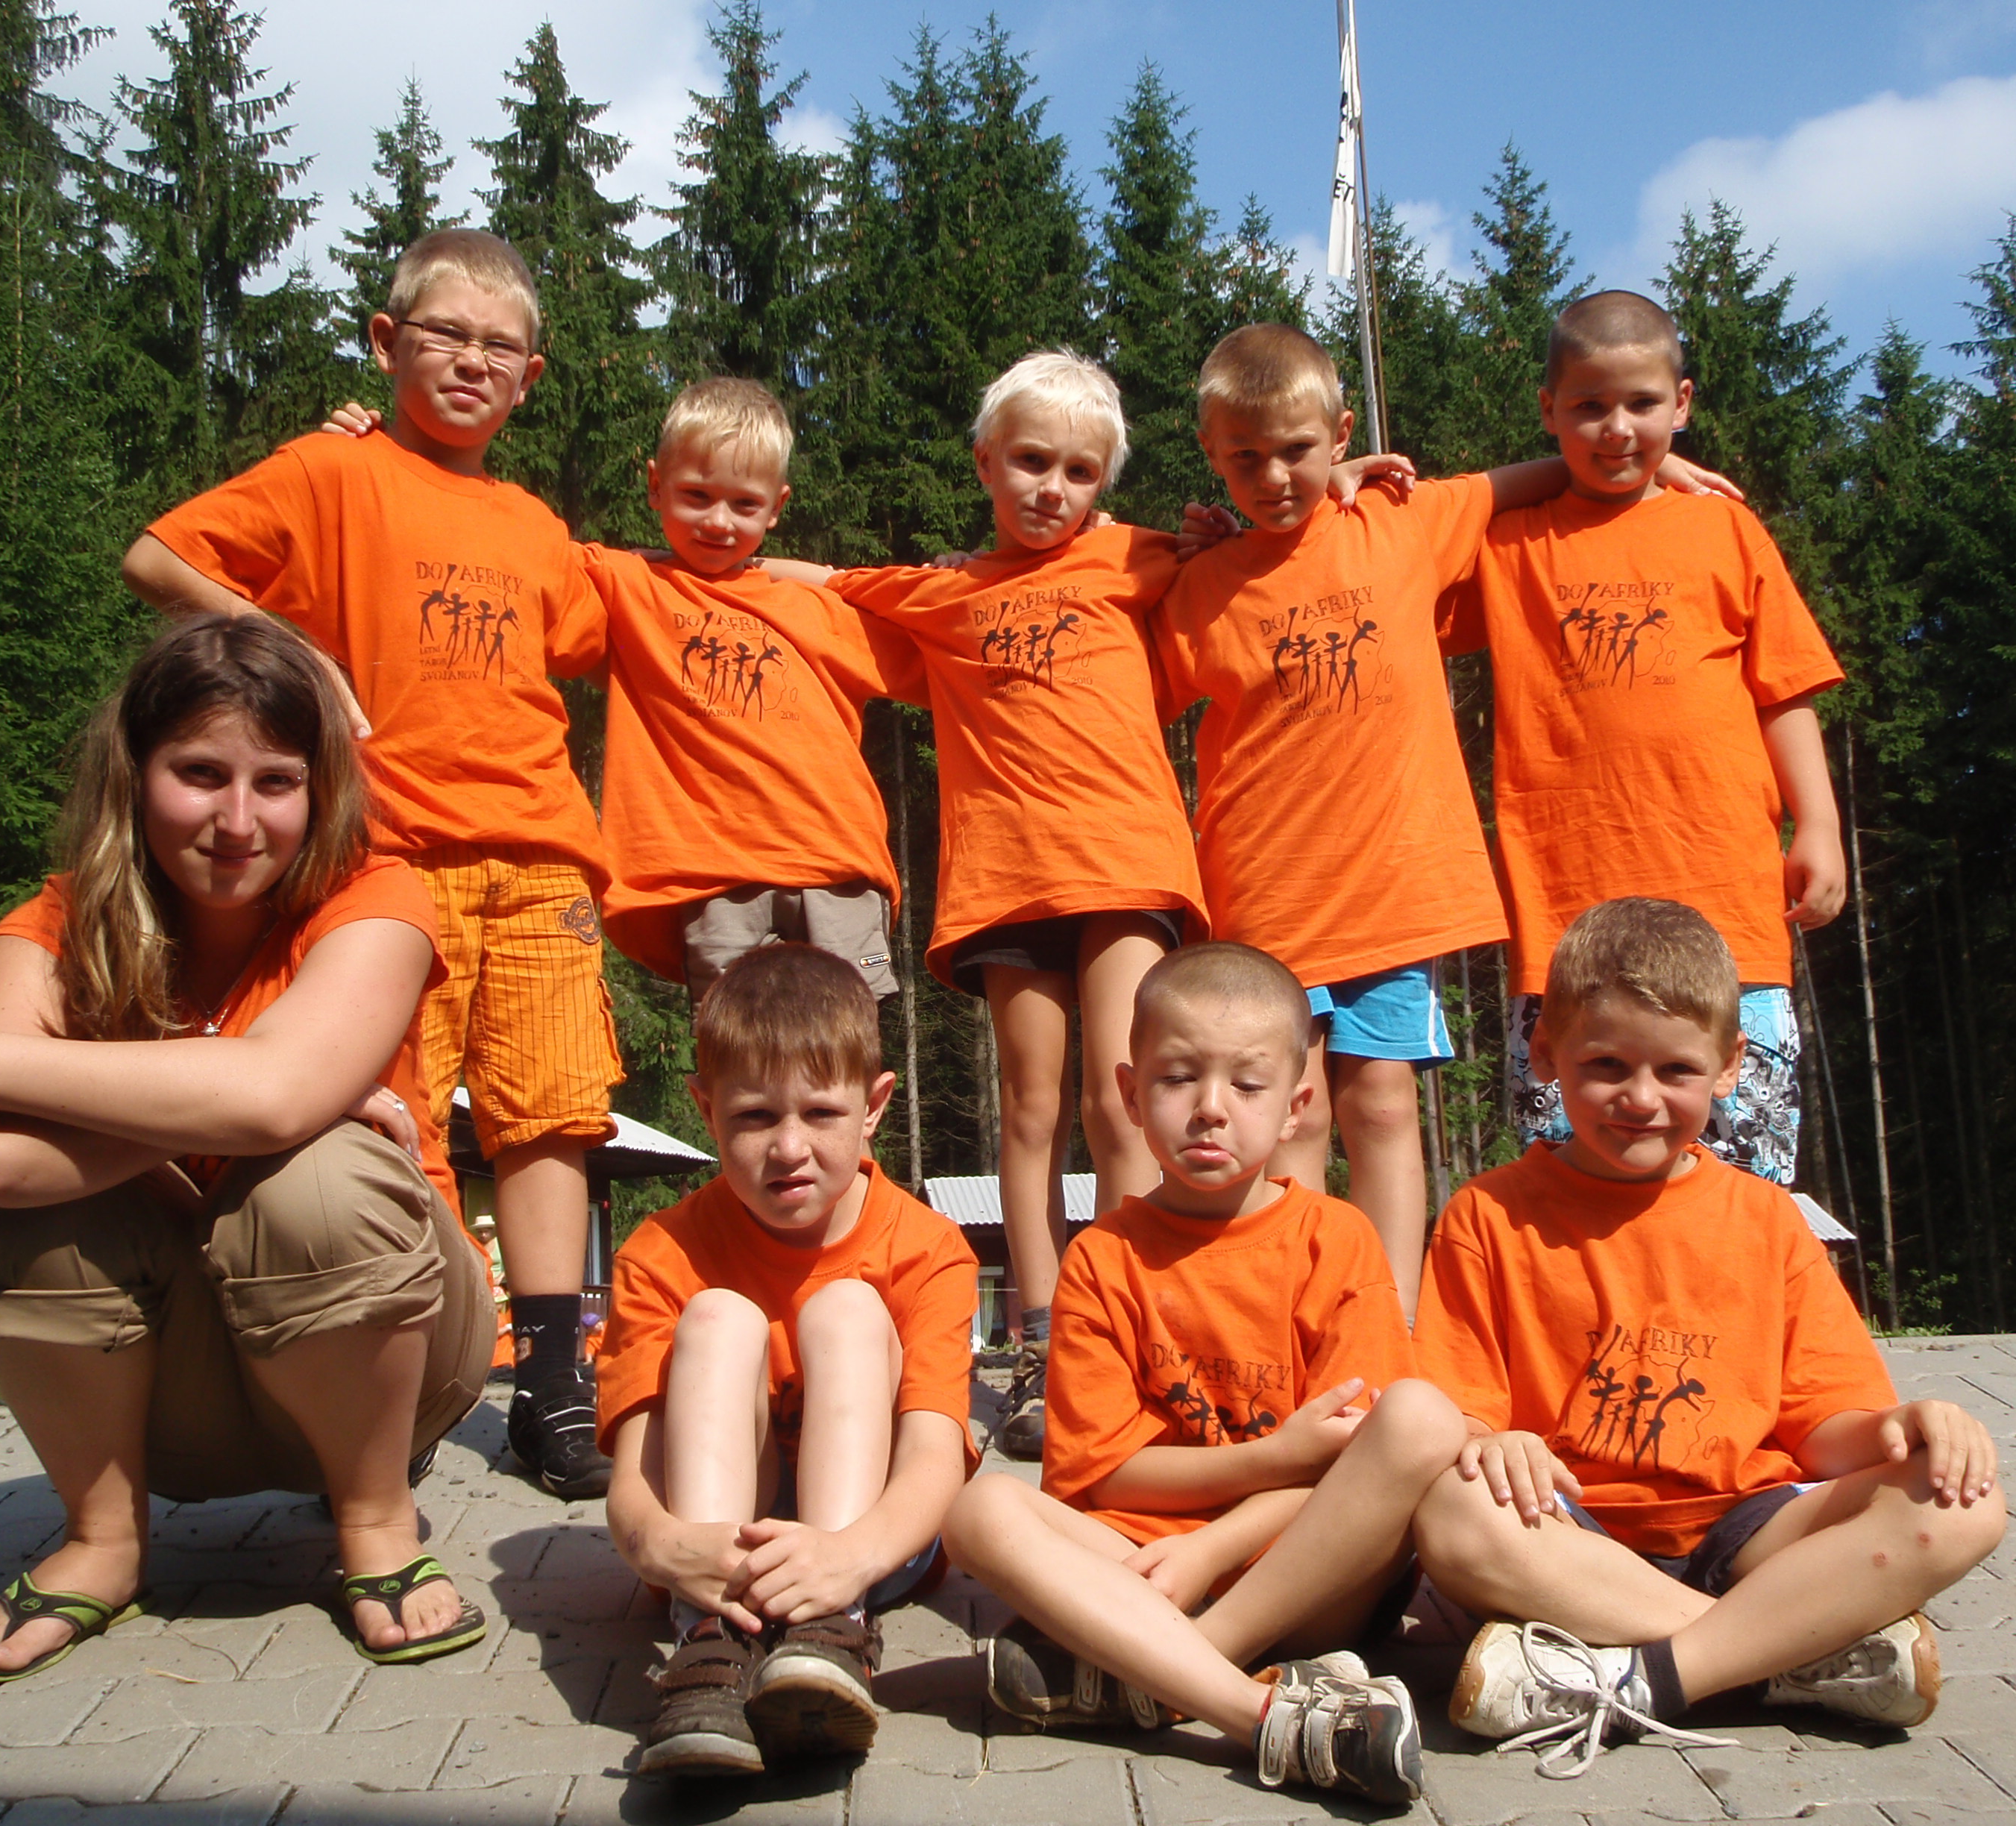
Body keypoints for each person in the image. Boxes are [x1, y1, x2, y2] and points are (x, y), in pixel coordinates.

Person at [0, 614, 497, 1684]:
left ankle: (374, 1519)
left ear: (320, 791)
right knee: (30, 1201)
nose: (238, 821)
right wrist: (249, 1105)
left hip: (397, 1362)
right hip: (160, 1392)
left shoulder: (376, 898)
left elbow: (273, 1101)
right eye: (200, 773)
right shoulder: (50, 930)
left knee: (314, 1173)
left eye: (277, 782)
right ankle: (102, 1539)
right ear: (135, 772)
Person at [119, 228, 622, 1499]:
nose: (471, 361)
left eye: (499, 347)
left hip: (543, 852)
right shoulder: (330, 471)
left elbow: (619, 625)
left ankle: (552, 1383)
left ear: (530, 380)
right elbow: (158, 556)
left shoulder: (534, 523)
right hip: (388, 856)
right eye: (444, 333)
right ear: (386, 343)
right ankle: (429, 1370)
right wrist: (286, 643)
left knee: (550, 1114)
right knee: (399, 1111)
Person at [1158, 324, 1735, 1315]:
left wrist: (1653, 466)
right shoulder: (1200, 586)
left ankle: (1391, 1323)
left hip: (1394, 895)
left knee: (1383, 1104)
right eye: (1244, 458)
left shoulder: (1399, 522)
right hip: (1263, 896)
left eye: (1297, 449)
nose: (1275, 476)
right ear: (1210, 454)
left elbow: (1523, 483)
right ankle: (1298, 1319)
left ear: (1342, 434)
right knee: (1289, 1120)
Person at [1409, 898, 2005, 1778]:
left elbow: (1825, 1426)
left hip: (1746, 1530)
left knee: (1964, 1501)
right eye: (1605, 1065)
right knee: (1454, 1513)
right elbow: (1460, 1413)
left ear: (1729, 1067)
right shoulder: (1487, 1215)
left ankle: (1640, 1675)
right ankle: (1791, 1653)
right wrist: (1489, 1442)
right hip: (1571, 1536)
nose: (1641, 1099)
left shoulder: (1767, 1219)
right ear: (1544, 1054)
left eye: (1677, 1070)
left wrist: (1901, 1428)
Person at [765, 351, 1208, 1461]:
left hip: (1128, 864)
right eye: (1030, 463)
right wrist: (692, 554)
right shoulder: (946, 592)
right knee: (1030, 1109)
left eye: (1078, 472)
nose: (1052, 489)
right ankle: (1044, 1340)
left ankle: (1129, 1328)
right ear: (985, 464)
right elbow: (819, 582)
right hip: (1008, 877)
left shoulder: (1136, 557)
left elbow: (1250, 544)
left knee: (1123, 1100)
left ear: (1104, 483)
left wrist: (1341, 478)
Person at [941, 942, 1470, 1810]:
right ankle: (1258, 1711)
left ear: (1298, 1106)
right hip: (1146, 1565)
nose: (1210, 1110)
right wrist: (1271, 1459)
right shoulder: (1102, 1257)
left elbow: (1359, 1466)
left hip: (1311, 1574)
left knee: (1419, 1415)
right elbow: (1103, 1475)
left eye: (1248, 1085)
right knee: (979, 1509)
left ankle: (1168, 1675)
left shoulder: (1335, 1240)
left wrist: (1215, 1549)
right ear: (1130, 1095)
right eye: (1179, 1078)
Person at [325, 377, 914, 1004]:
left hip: (842, 868)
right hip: (714, 877)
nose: (718, 521)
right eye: (696, 496)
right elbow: (492, 544)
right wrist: (386, 459)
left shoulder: (822, 611)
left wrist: (952, 567)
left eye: (745, 505)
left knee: (853, 1028)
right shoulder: (623, 585)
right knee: (735, 1038)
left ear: (777, 507)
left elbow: (953, 648)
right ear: (656, 486)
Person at [1439, 291, 1847, 1185]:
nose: (1617, 428)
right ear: (1548, 410)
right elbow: (1390, 551)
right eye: (1588, 405)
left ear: (1683, 402)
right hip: (1569, 925)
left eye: (1642, 404)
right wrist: (1549, 471)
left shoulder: (1725, 527)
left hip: (1729, 917)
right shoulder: (1509, 545)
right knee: (1572, 1192)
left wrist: (1818, 822)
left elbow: (1785, 688)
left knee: (1745, 1192)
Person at [598, 945, 976, 1778]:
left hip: (875, 1543)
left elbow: (934, 1460)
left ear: (874, 1106)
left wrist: (853, 1557)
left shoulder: (929, 1249)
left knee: (847, 1306)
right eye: (756, 1117)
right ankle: (711, 1649)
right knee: (717, 1316)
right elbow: (632, 1486)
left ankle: (829, 1633)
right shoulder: (660, 1253)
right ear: (706, 1109)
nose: (789, 1148)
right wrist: (668, 1550)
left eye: (821, 1112)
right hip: (713, 1553)